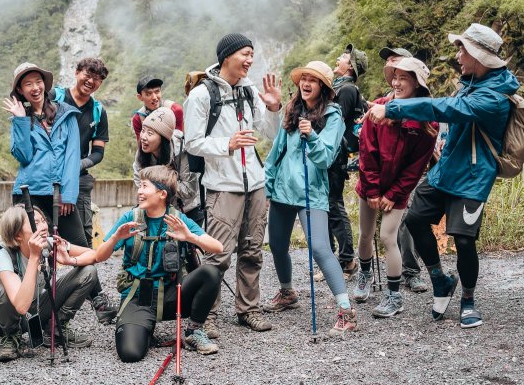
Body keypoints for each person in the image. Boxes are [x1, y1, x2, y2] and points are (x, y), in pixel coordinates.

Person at [366, 23, 518, 329]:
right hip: (445, 172)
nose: (458, 55)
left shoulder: (494, 96)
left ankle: (469, 300)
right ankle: (440, 279)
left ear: (479, 55)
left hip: (473, 178)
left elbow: (447, 108)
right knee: (416, 219)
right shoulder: (471, 82)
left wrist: (394, 108)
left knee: (463, 240)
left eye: (462, 49)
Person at [65, 165, 225, 362]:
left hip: (171, 295)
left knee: (210, 273)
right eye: (139, 186)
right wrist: (116, 237)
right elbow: (99, 256)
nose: (139, 191)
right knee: (130, 354)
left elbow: (217, 247)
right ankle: (144, 328)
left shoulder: (177, 219)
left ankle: (193, 331)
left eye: (144, 186)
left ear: (162, 194)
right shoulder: (130, 218)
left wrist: (190, 236)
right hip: (137, 296)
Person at [184, 33, 282, 337]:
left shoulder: (250, 90)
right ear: (227, 56)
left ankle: (248, 310)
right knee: (218, 255)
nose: (250, 60)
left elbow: (267, 132)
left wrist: (274, 108)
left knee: (253, 250)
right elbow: (192, 142)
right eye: (245, 54)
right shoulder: (201, 96)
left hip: (255, 182)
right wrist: (228, 143)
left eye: (252, 54)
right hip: (222, 186)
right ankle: (206, 315)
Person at [3, 62, 116, 324]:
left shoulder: (66, 113)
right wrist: (20, 121)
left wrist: (67, 194)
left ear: (46, 84)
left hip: (60, 195)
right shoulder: (22, 119)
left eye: (38, 81)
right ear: (20, 90)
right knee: (28, 251)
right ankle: (24, 306)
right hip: (29, 195)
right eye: (27, 83)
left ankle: (90, 300)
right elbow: (23, 155)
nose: (35, 87)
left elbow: (72, 156)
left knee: (81, 248)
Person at [262, 60, 356, 337]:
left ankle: (346, 311)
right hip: (282, 190)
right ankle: (288, 292)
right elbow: (276, 151)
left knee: (320, 249)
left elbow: (325, 157)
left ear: (324, 87)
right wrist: (268, 187)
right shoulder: (292, 109)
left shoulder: (333, 115)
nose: (306, 83)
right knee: (277, 245)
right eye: (303, 78)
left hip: (311, 191)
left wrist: (312, 136)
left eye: (312, 80)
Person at [352, 57, 438, 318]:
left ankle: (394, 296)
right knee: (366, 234)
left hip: (397, 192)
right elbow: (367, 152)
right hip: (370, 185)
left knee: (388, 237)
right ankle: (364, 275)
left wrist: (393, 195)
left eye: (405, 78)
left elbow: (415, 167)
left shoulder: (426, 123)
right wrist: (374, 190)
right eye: (395, 77)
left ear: (417, 84)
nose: (397, 82)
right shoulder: (378, 108)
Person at [0, 205, 98, 362]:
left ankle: (55, 330)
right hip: (3, 319)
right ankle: (11, 337)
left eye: (43, 220)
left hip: (34, 309)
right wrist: (34, 258)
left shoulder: (48, 241)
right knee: (3, 289)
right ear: (18, 235)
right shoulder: (3, 255)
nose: (44, 226)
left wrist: (70, 260)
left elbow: (94, 255)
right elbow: (20, 306)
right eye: (36, 222)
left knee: (88, 272)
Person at [376, 44, 428, 293]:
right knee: (389, 228)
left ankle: (412, 271)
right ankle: (400, 270)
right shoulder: (384, 100)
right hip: (386, 171)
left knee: (407, 220)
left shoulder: (419, 103)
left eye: (396, 61)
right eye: (389, 63)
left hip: (412, 172)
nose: (391, 65)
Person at [55, 57, 111, 248]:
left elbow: (98, 152)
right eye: (88, 74)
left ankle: (83, 277)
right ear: (77, 72)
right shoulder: (56, 98)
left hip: (79, 178)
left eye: (97, 78)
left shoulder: (98, 111)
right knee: (43, 230)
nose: (91, 81)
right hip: (49, 174)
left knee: (83, 236)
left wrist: (77, 165)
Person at [323, 44, 368, 279]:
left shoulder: (348, 90)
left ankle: (347, 260)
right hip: (331, 153)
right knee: (327, 205)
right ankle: (332, 260)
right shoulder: (338, 88)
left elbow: (336, 125)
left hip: (336, 155)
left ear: (349, 66)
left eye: (343, 56)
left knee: (334, 205)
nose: (339, 57)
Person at [132, 107, 203, 225]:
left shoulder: (182, 152)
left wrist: (157, 185)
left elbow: (189, 190)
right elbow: (139, 180)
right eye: (143, 130)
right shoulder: (142, 151)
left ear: (163, 138)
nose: (143, 137)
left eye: (150, 133)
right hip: (156, 210)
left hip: (186, 211)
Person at [131, 75, 184, 140]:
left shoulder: (175, 110)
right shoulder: (138, 118)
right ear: (140, 97)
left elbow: (180, 140)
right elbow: (141, 146)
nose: (154, 97)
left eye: (157, 92)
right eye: (148, 94)